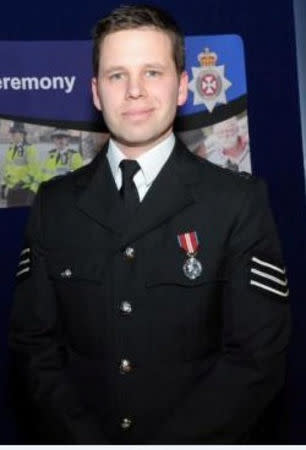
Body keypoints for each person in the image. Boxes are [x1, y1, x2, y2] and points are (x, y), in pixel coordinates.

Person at [9, 4, 290, 444]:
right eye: (117, 75)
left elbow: (256, 360)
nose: (134, 91)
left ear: (182, 87)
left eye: (153, 73)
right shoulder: (54, 205)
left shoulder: (237, 203)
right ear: (96, 93)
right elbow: (34, 348)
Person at [3, 122, 40, 207]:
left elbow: (34, 172)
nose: (11, 134)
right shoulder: (11, 148)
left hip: (24, 191)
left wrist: (21, 183)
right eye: (11, 132)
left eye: (14, 132)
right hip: (11, 190)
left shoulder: (30, 149)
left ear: (22, 134)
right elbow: (7, 168)